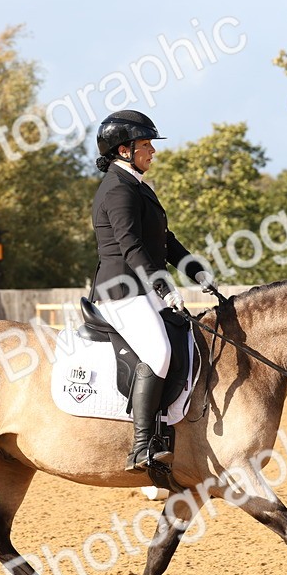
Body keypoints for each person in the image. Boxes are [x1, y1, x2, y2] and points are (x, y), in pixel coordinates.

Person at [90, 110, 215, 470]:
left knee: (187, 340)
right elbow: (131, 246)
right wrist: (163, 284)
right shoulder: (117, 189)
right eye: (145, 144)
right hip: (121, 290)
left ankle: (169, 432)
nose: (152, 151)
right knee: (158, 352)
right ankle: (142, 446)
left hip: (141, 288)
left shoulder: (138, 186)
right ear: (124, 150)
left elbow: (165, 240)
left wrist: (195, 270)